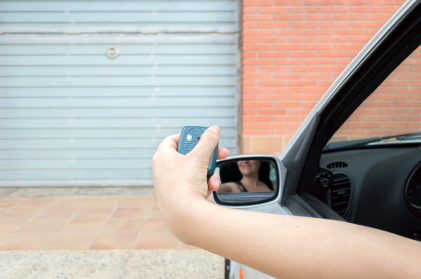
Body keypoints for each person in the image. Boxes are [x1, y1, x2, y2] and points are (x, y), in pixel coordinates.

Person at [152, 126, 421, 278]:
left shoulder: (269, 183)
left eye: (249, 160)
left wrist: (183, 209)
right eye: (241, 160)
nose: (244, 161)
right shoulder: (233, 186)